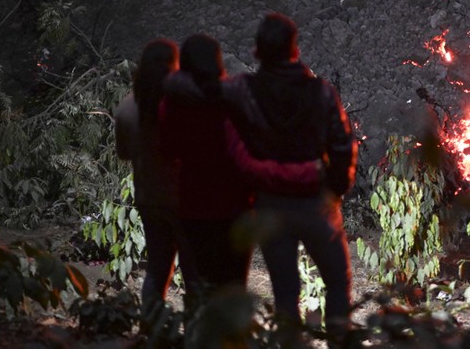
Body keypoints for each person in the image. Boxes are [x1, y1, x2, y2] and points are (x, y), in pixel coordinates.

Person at [223, 13, 358, 343]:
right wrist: (335, 191)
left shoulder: (243, 91)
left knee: (285, 294)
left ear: (257, 52)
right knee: (338, 284)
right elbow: (342, 146)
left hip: (269, 204)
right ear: (294, 50)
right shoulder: (320, 92)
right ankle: (340, 342)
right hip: (315, 202)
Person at [160, 33, 321, 300]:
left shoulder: (172, 104)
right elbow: (246, 160)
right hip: (231, 211)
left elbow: (166, 151)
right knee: (231, 290)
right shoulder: (229, 103)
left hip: (190, 207)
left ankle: (197, 337)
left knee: (196, 288)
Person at [113, 38, 197, 314]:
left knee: (158, 269)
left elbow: (124, 153)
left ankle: (151, 331)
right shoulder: (186, 104)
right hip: (186, 202)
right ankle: (196, 336)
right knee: (195, 275)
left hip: (149, 198)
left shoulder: (127, 107)